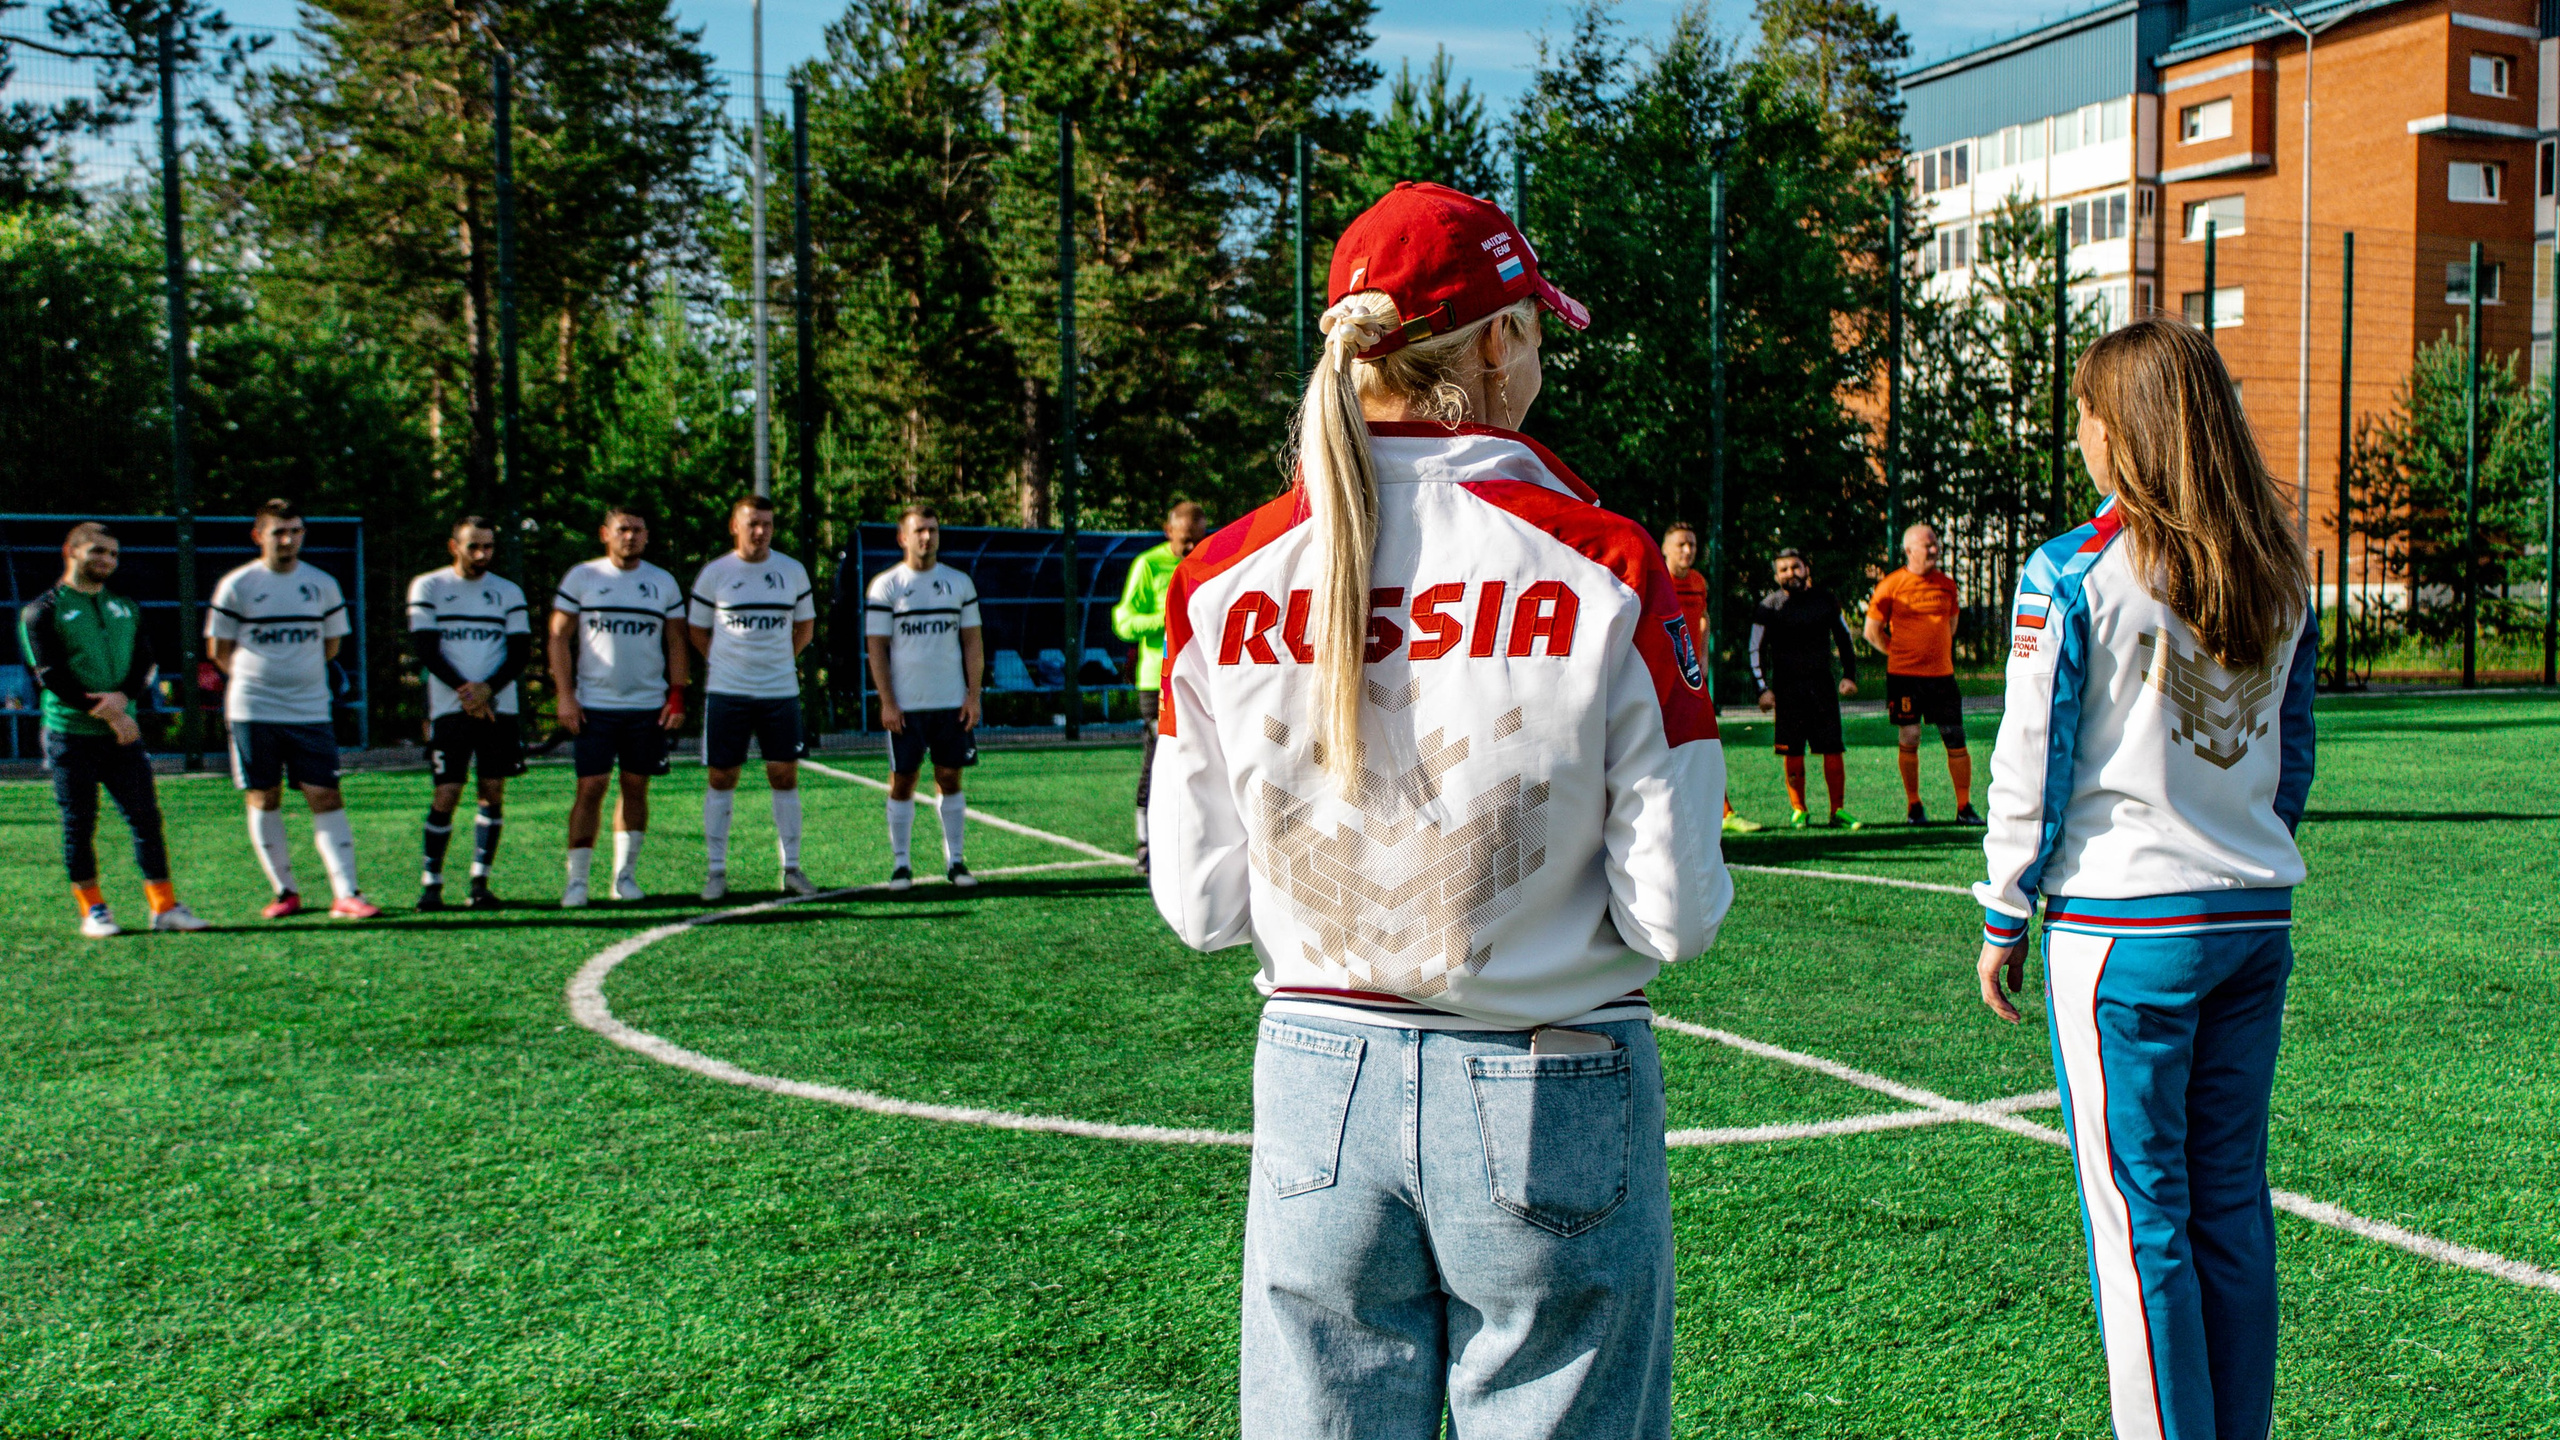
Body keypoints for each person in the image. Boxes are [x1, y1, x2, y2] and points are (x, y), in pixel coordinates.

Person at [1150, 181, 1731, 1438]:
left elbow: (1198, 907)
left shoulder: (1217, 577)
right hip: (1549, 1076)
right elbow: (1677, 916)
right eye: (1532, 330)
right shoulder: (1607, 561)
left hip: (1313, 1074)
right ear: (1493, 346)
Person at [1975, 319, 2316, 1440]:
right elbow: (2295, 754)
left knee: (2141, 1223)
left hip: (2124, 930)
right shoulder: (2278, 565)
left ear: (2123, 430)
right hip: (2252, 917)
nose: (2077, 434)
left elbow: (2033, 752)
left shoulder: (2072, 571)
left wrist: (2002, 907)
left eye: (2085, 412)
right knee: (2227, 1204)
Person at [21, 522, 208, 936]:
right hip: (70, 735)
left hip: (121, 738)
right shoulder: (42, 610)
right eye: (98, 551)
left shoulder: (125, 606)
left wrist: (123, 700)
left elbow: (144, 662)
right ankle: (94, 911)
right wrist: (111, 713)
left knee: (145, 819)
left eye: (113, 554)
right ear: (71, 550)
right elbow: (51, 674)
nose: (107, 560)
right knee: (79, 822)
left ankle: (165, 908)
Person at [206, 499, 379, 920]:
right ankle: (285, 891)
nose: (288, 540)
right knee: (264, 794)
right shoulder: (238, 584)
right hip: (253, 709)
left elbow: (331, 645)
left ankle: (346, 893)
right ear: (258, 535)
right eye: (279, 532)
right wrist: (257, 681)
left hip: (310, 710)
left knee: (325, 793)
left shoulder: (322, 584)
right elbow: (218, 650)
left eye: (296, 531)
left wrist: (298, 679)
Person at [550, 506, 689, 907]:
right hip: (594, 705)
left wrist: (676, 695)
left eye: (638, 529)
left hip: (647, 706)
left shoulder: (661, 581)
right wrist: (565, 694)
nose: (630, 536)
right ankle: (577, 881)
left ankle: (623, 877)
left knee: (635, 787)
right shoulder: (583, 576)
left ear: (647, 536)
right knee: (591, 787)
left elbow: (677, 640)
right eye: (623, 529)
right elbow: (558, 636)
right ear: (604, 534)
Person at [688, 494, 819, 901]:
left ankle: (792, 869)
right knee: (722, 776)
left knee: (784, 775)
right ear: (735, 526)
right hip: (727, 692)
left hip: (779, 692)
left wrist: (778, 661)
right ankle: (716, 873)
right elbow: (696, 631)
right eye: (752, 524)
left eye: (767, 524)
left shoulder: (792, 571)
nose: (760, 532)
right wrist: (728, 664)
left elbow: (805, 628)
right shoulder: (715, 573)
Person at [407, 516, 531, 911]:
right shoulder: (429, 586)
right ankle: (432, 882)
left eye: (488, 547)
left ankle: (480, 882)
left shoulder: (508, 592)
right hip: (450, 708)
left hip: (498, 708)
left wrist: (487, 690)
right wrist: (467, 692)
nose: (482, 555)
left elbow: (520, 652)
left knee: (492, 791)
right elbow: (426, 649)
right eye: (473, 546)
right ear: (453, 546)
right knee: (447, 791)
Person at [863, 504, 984, 891]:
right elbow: (877, 648)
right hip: (906, 706)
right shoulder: (886, 586)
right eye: (918, 531)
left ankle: (957, 862)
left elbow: (972, 642)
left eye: (932, 530)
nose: (926, 538)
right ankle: (902, 865)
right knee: (903, 781)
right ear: (903, 537)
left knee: (950, 777)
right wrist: (888, 701)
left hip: (950, 702)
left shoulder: (959, 583)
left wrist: (972, 696)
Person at [1111, 501, 1209, 874]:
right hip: (1156, 681)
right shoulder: (1148, 566)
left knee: (1201, 758)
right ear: (1168, 532)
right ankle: (1145, 844)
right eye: (1186, 541)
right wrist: (1166, 619)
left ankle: (1192, 841)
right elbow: (1123, 620)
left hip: (1201, 676)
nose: (1191, 549)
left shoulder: (1210, 560)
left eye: (1198, 540)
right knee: (1158, 757)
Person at [1864, 521, 1981, 826]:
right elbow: (1871, 631)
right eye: (1927, 545)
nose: (1934, 549)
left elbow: (1951, 626)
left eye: (1935, 544)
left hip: (1942, 676)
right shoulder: (1890, 585)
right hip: (1904, 677)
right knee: (1910, 735)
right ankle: (1914, 806)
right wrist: (1897, 652)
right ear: (1908, 551)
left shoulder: (1947, 584)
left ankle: (1964, 807)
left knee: (1954, 736)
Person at [1750, 548, 1862, 829]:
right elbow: (1754, 649)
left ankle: (1838, 810)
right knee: (1792, 751)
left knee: (1832, 749)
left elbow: (1845, 639)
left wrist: (1850, 675)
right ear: (1777, 576)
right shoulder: (1769, 606)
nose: (1791, 573)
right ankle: (1799, 809)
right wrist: (1762, 688)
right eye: (1784, 569)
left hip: (1822, 688)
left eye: (1795, 567)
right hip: (1787, 691)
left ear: (1806, 568)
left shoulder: (1825, 601)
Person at [1662, 520, 1760, 836]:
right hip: (1660, 679)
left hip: (1690, 677)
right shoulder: (1655, 582)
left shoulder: (1698, 581)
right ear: (1665, 549)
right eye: (1681, 544)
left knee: (1705, 740)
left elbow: (1703, 618)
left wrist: (1701, 656)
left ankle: (1724, 811)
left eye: (1692, 543)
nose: (1688, 550)